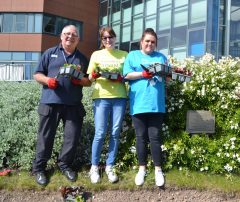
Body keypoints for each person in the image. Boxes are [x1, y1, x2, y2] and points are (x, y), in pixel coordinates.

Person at [32, 25, 91, 185]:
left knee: (71, 139)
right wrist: (47, 81)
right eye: (67, 34)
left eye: (74, 35)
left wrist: (80, 80)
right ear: (61, 36)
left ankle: (65, 165)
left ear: (78, 39)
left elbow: (88, 81)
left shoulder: (82, 59)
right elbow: (37, 74)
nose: (70, 37)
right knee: (45, 137)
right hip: (50, 103)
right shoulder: (50, 53)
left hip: (73, 104)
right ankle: (39, 169)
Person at [123, 28, 168, 187]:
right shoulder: (132, 56)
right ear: (141, 42)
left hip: (156, 104)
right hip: (138, 104)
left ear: (156, 44)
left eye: (153, 42)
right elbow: (126, 75)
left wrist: (169, 74)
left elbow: (167, 78)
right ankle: (142, 168)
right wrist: (143, 74)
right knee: (141, 138)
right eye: (147, 41)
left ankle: (158, 169)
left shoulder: (162, 57)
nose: (150, 44)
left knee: (155, 138)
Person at [87, 27, 128, 184]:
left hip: (119, 97)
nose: (108, 40)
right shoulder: (96, 55)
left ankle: (110, 166)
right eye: (104, 38)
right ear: (101, 40)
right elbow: (89, 77)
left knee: (115, 132)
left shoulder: (124, 55)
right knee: (100, 132)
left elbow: (127, 77)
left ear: (115, 38)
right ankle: (94, 166)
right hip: (101, 97)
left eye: (110, 37)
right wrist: (95, 75)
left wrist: (121, 79)